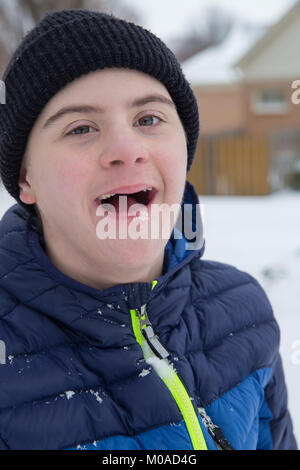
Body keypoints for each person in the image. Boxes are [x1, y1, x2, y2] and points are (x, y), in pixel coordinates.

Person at [0, 9, 297, 451]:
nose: (126, 149)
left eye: (148, 120)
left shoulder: (244, 310)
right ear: (26, 178)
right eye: (80, 127)